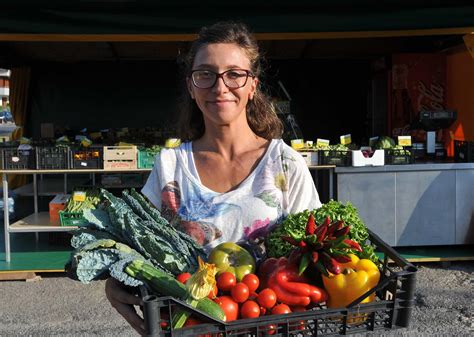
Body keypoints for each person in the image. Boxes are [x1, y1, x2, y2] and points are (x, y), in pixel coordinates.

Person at [105, 21, 321, 335]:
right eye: (205, 74)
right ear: (191, 87)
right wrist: (116, 280)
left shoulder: (284, 163)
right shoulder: (170, 166)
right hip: (190, 327)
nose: (220, 87)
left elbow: (315, 250)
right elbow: (139, 246)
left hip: (274, 327)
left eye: (234, 74)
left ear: (252, 85)